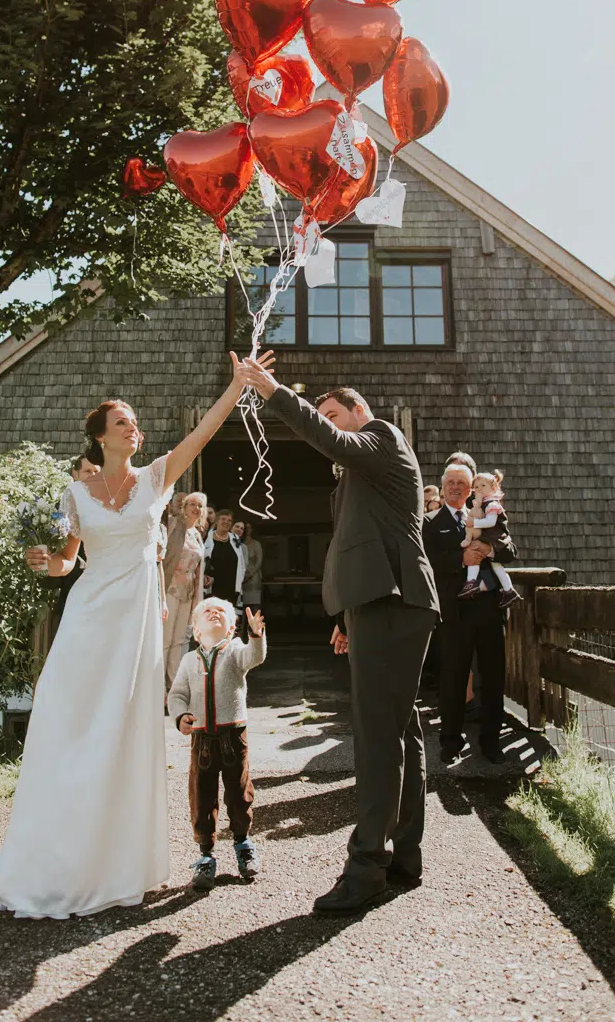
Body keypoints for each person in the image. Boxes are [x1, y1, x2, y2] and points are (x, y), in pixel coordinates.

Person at [0, 349, 274, 919]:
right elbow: (66, 564)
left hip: (136, 621)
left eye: (134, 421)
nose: (133, 426)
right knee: (67, 719)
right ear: (99, 435)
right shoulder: (74, 496)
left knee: (119, 731)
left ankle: (115, 859)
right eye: (122, 421)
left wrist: (237, 384)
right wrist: (41, 561)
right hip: (88, 615)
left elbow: (202, 432)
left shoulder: (156, 479)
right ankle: (57, 854)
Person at [240, 360, 439, 915]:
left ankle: (365, 869)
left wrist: (275, 393)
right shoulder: (360, 474)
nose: (328, 424)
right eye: (322, 414)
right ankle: (403, 857)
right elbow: (359, 542)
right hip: (380, 604)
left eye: (334, 414)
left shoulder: (381, 438)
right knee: (402, 732)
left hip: (395, 602)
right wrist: (346, 618)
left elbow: (332, 441)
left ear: (360, 412)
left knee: (377, 737)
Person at [422, 463, 518, 767]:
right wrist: (459, 557)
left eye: (462, 483)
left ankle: (491, 742)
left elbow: (510, 549)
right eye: (450, 482)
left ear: (471, 488)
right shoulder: (430, 521)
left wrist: (489, 551)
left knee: (492, 676)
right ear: (442, 486)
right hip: (455, 611)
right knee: (452, 677)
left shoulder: (488, 513)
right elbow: (425, 560)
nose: (456, 487)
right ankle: (450, 741)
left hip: (489, 608)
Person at [167, 597, 266, 891]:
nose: (213, 613)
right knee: (201, 796)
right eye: (206, 612)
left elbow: (254, 657)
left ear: (231, 628)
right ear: (196, 632)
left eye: (221, 611)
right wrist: (181, 715)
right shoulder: (188, 661)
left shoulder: (235, 651)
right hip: (202, 741)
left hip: (233, 736)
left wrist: (256, 636)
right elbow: (177, 695)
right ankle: (206, 855)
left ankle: (242, 842)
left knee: (238, 792)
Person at [162, 492, 208, 691]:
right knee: (165, 640)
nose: (196, 508)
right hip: (170, 587)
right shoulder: (172, 525)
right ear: (184, 506)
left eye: (200, 506)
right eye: (192, 504)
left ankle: (175, 687)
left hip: (188, 591)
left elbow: (199, 568)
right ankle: (159, 688)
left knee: (181, 640)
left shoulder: (197, 535)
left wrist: (198, 599)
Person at [49, 455, 100, 630]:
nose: (93, 475)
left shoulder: (110, 506)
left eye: (96, 471)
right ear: (75, 474)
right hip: (72, 585)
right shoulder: (61, 509)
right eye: (88, 471)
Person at [459, 470, 522, 607]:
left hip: (495, 538)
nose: (479, 489)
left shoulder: (492, 504)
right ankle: (509, 590)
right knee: (497, 566)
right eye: (476, 487)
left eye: (483, 486)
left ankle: (471, 581)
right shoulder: (482, 504)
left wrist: (473, 523)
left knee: (475, 548)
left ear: (493, 488)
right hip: (492, 538)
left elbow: (491, 522)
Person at [204, 510, 246, 605]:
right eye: (223, 519)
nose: (226, 522)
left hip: (231, 590)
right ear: (217, 521)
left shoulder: (235, 538)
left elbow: (242, 565)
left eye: (229, 520)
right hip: (212, 590)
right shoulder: (207, 537)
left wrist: (239, 585)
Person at [241, 521, 263, 614]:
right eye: (246, 528)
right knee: (242, 605)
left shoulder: (256, 544)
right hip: (241, 578)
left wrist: (250, 574)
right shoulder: (239, 543)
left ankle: (255, 627)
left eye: (249, 528)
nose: (247, 530)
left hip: (253, 578)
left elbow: (259, 561)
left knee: (254, 606)